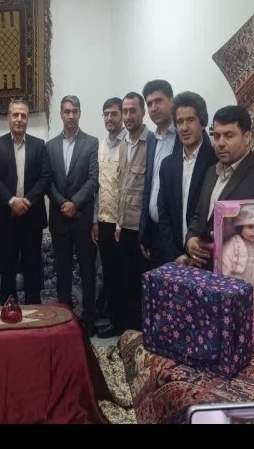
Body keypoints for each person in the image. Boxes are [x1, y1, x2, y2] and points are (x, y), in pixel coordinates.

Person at [185, 105, 254, 270]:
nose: (220, 143)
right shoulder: (211, 172)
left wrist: (225, 248)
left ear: (247, 137)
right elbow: (199, 215)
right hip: (201, 270)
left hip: (237, 274)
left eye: (229, 136)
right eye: (217, 136)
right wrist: (191, 239)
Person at [0, 99, 51, 306]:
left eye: (23, 115)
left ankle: (33, 310)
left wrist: (27, 202)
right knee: (8, 268)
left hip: (32, 218)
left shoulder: (39, 145)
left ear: (27, 119)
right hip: (6, 218)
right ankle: (8, 310)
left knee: (33, 268)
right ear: (8, 117)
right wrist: (12, 201)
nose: (19, 119)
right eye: (15, 115)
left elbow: (45, 178)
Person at [46, 96, 99, 336]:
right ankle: (65, 319)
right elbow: (48, 181)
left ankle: (89, 320)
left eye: (74, 111)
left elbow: (93, 179)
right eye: (66, 111)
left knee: (88, 272)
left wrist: (75, 203)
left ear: (79, 113)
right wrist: (63, 204)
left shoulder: (91, 143)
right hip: (59, 219)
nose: (70, 115)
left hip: (82, 219)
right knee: (63, 272)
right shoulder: (50, 146)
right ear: (61, 114)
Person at [156, 92, 217, 265]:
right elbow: (164, 213)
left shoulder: (216, 161)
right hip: (176, 257)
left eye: (190, 120)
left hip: (205, 257)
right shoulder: (167, 165)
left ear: (202, 123)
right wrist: (175, 254)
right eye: (180, 122)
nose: (184, 127)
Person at [114, 92, 152, 332]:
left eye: (132, 111)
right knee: (127, 285)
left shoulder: (152, 143)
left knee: (143, 288)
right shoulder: (123, 144)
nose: (128, 116)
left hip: (142, 231)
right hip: (124, 228)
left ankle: (144, 336)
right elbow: (123, 187)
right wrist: (118, 224)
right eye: (125, 111)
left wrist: (147, 234)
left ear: (142, 112)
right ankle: (130, 336)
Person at [93, 98, 127, 339]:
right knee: (110, 274)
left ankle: (128, 324)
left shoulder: (129, 144)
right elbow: (98, 188)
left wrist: (120, 224)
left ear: (122, 116)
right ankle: (115, 322)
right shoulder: (101, 145)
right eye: (106, 114)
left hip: (124, 224)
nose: (109, 118)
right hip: (104, 221)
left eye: (114, 113)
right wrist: (94, 220)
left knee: (125, 275)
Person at [138, 80, 181, 266]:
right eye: (149, 104)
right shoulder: (152, 139)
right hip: (154, 232)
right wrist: (144, 233)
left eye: (159, 101)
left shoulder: (183, 137)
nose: (154, 108)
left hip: (176, 234)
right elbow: (148, 187)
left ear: (171, 101)